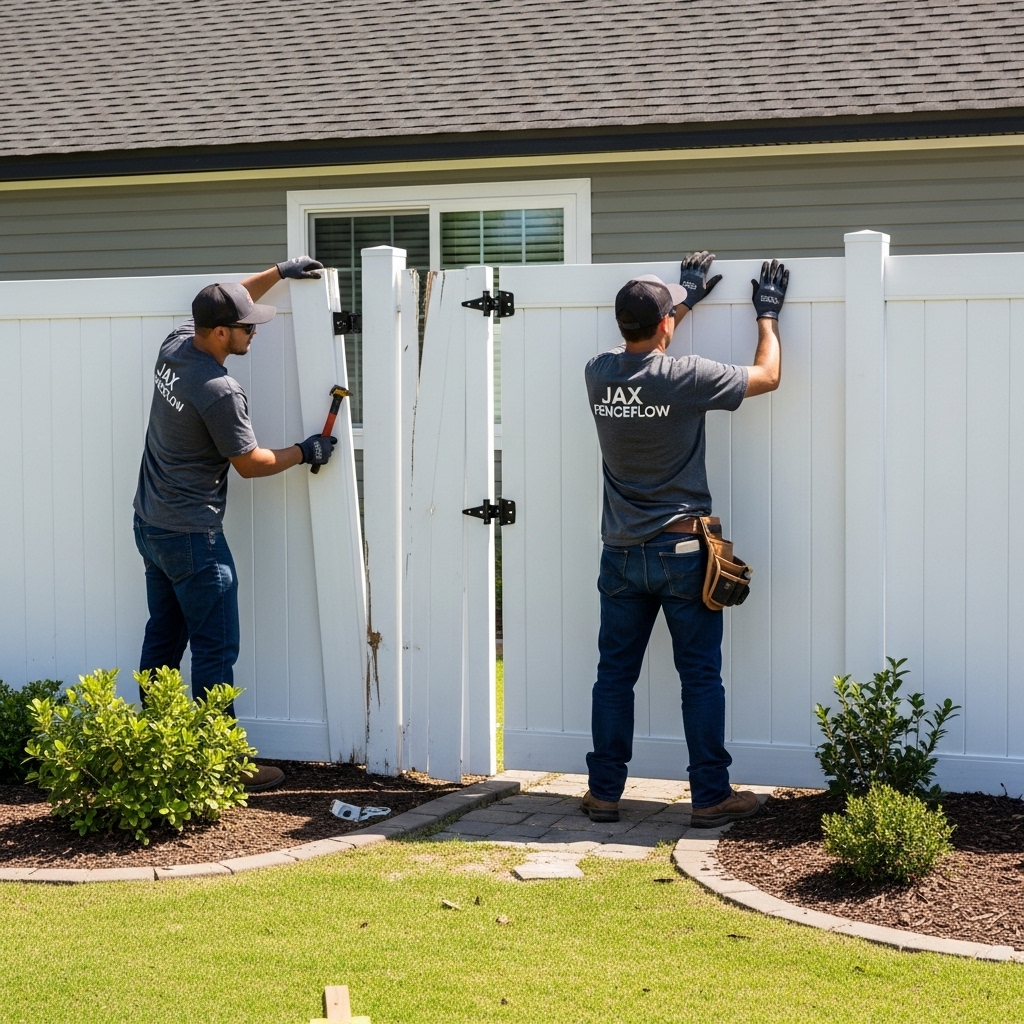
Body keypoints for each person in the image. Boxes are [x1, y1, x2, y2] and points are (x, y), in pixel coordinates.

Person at [581, 252, 788, 827]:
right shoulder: (687, 377)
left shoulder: (598, 372)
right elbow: (768, 377)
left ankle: (604, 794)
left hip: (620, 554)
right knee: (699, 676)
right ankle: (710, 795)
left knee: (613, 676)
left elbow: (643, 344)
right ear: (667, 324)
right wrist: (766, 318)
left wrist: (682, 300)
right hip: (682, 553)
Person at [133, 256, 336, 791]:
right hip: (192, 537)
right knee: (215, 648)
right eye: (248, 327)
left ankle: (156, 748)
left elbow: (225, 297)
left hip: (151, 524)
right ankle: (218, 764)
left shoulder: (177, 345)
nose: (254, 332)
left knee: (163, 639)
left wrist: (277, 271)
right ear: (221, 334)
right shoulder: (219, 391)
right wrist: (305, 448)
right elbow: (250, 465)